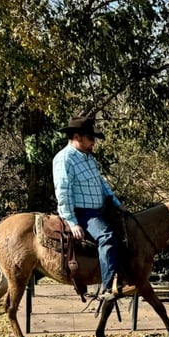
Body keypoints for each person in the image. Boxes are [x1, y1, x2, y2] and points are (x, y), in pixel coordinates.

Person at [52, 116, 135, 302]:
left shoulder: (89, 159)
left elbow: (101, 184)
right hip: (83, 213)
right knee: (107, 237)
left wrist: (116, 202)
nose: (93, 143)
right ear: (77, 137)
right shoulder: (64, 159)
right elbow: (63, 192)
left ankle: (125, 275)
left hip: (100, 210)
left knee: (128, 230)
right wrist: (72, 222)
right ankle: (107, 288)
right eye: (90, 138)